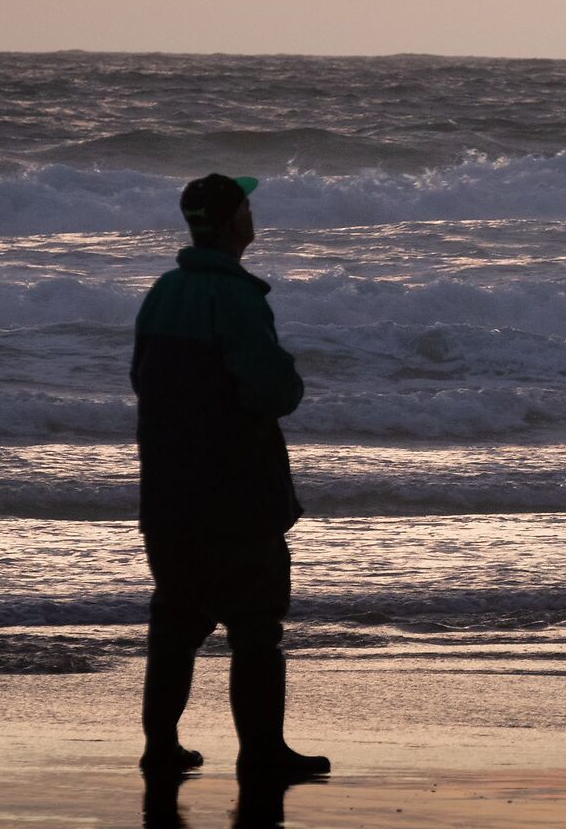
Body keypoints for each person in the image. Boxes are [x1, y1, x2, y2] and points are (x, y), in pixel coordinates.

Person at [131, 172, 330, 781]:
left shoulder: (162, 291)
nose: (252, 212)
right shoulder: (239, 298)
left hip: (169, 491)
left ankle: (160, 747)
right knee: (255, 626)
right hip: (236, 491)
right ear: (232, 220)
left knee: (175, 624)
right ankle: (262, 753)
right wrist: (291, 376)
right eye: (247, 204)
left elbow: (145, 382)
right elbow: (271, 391)